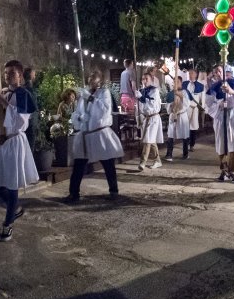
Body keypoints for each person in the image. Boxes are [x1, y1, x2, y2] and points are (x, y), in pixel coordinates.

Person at [0, 60, 39, 241]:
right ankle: (13, 208)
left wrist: (5, 104)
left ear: (20, 76)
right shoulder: (3, 93)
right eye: (6, 72)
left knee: (12, 183)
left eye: (11, 73)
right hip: (0, 143)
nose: (7, 75)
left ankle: (7, 224)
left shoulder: (24, 94)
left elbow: (22, 121)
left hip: (15, 141)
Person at [65, 69, 125, 203]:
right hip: (85, 135)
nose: (91, 79)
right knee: (79, 165)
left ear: (100, 80)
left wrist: (91, 99)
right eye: (90, 76)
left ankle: (113, 190)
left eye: (94, 77)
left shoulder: (104, 93)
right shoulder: (83, 95)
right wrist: (80, 118)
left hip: (100, 134)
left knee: (108, 163)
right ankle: (73, 193)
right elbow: (76, 113)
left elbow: (105, 110)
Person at [205, 69, 234, 183]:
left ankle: (232, 171)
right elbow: (208, 104)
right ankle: (223, 170)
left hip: (233, 114)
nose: (218, 73)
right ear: (214, 75)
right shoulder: (214, 87)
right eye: (216, 72)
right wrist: (219, 104)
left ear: (225, 72)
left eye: (220, 71)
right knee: (221, 143)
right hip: (220, 115)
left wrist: (231, 91)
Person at [136, 72, 163, 170]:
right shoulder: (141, 91)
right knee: (151, 140)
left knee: (148, 140)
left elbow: (152, 104)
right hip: (145, 118)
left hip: (153, 118)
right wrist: (138, 118)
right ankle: (157, 160)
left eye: (146, 78)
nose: (144, 81)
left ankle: (142, 162)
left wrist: (141, 98)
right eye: (143, 79)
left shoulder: (154, 91)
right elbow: (139, 107)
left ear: (151, 79)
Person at [165, 76, 190, 161]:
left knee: (184, 135)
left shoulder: (184, 92)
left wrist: (181, 96)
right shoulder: (170, 94)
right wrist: (172, 105)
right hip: (173, 115)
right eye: (174, 82)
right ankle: (169, 154)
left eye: (178, 82)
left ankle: (185, 154)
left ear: (181, 83)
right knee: (171, 135)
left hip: (182, 116)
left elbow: (187, 103)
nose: (175, 84)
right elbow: (167, 106)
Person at [183, 69, 204, 151]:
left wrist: (202, 107)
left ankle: (192, 144)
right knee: (185, 126)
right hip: (186, 107)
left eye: (192, 73)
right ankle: (186, 143)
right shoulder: (184, 84)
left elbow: (202, 98)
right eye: (189, 73)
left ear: (196, 74)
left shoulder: (200, 85)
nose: (190, 74)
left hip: (195, 108)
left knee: (193, 127)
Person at [22, 66, 39, 153]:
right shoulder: (28, 89)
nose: (35, 76)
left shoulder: (25, 88)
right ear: (31, 75)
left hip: (29, 120)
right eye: (34, 74)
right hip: (30, 121)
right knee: (29, 146)